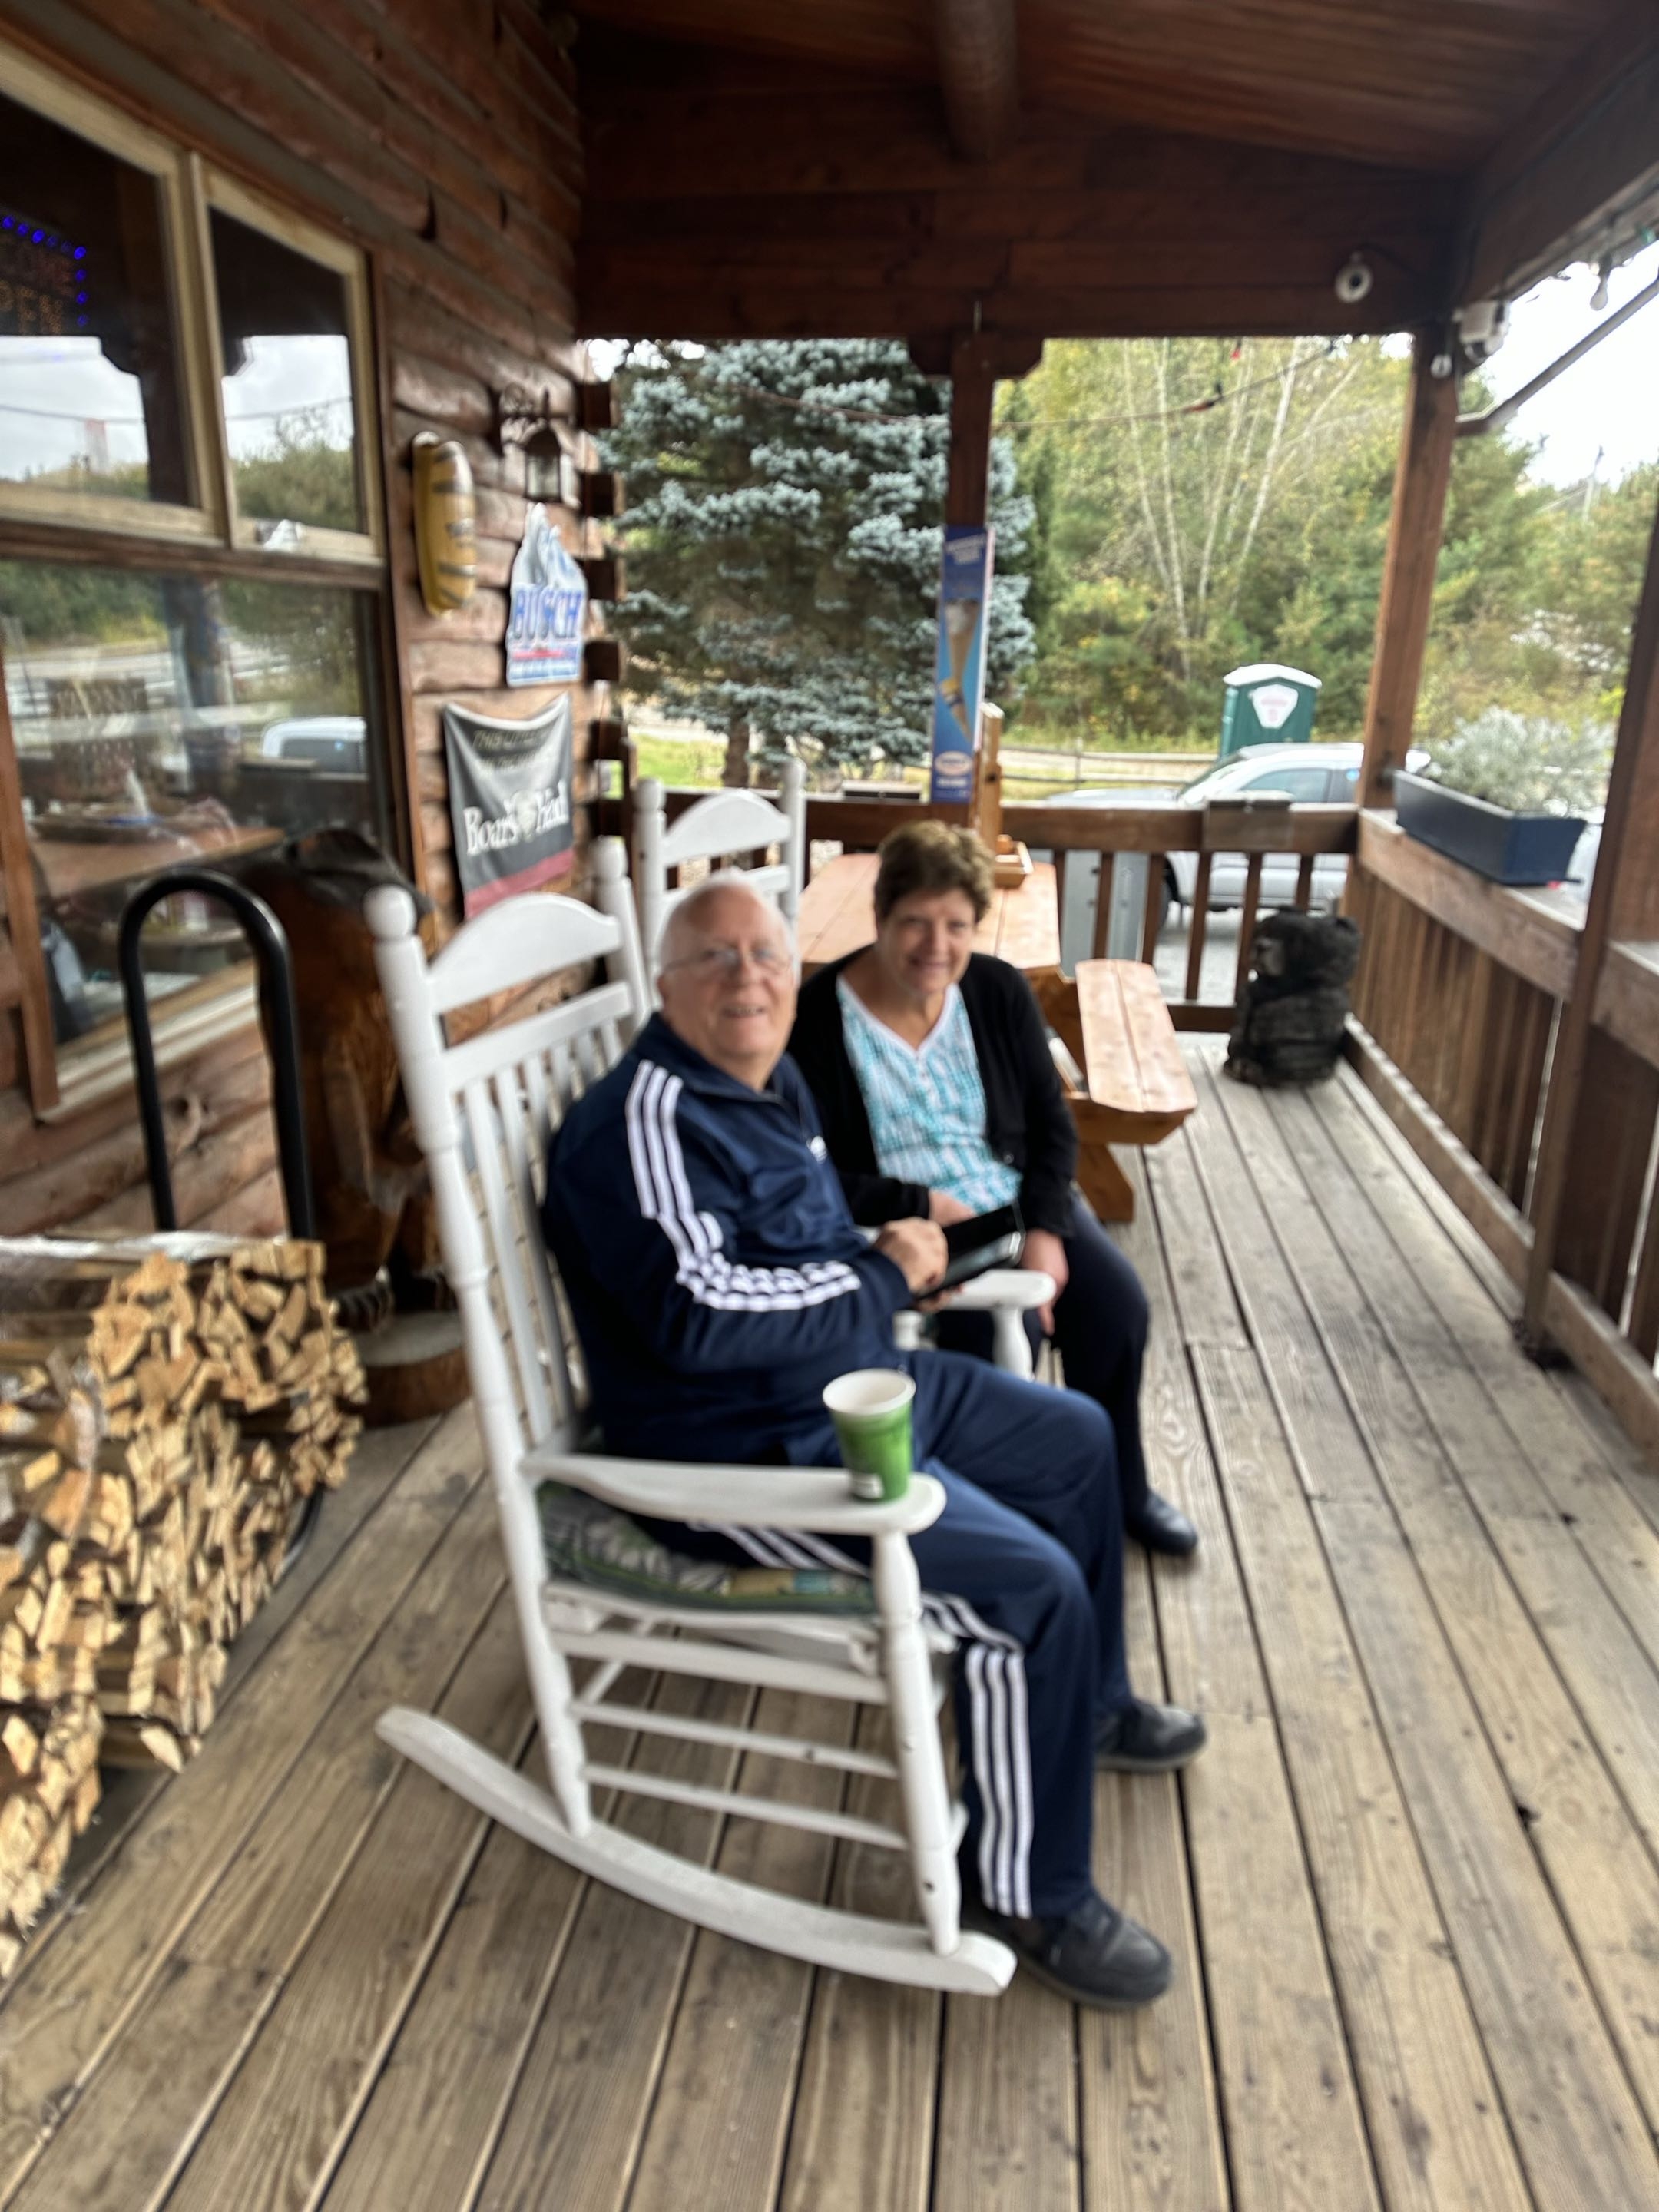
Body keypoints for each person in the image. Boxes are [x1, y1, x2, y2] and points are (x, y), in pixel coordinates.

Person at [541, 876, 1206, 2008]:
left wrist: (892, 1231)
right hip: (740, 1456)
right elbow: (701, 1318)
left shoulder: (765, 1075)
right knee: (1027, 1592)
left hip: (852, 1386)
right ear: (664, 986)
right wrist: (880, 1273)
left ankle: (1085, 1705)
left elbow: (804, 1222)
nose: (747, 978)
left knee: (1079, 1439)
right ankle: (1025, 1893)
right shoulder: (645, 1122)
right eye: (713, 959)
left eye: (765, 955)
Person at [788, 821, 1198, 1557]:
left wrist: (1045, 1230)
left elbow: (1051, 1125)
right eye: (914, 922)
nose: (935, 946)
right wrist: (918, 1207)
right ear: (880, 915)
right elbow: (811, 1171)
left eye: (956, 926)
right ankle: (1005, 1519)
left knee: (1116, 1310)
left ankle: (1122, 1490)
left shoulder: (996, 990)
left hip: (1015, 1200)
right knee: (982, 1343)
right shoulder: (818, 1017)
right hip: (912, 1231)